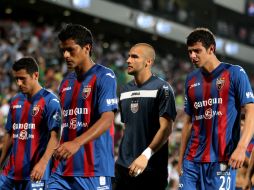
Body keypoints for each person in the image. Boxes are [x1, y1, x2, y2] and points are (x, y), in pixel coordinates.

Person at [177, 27, 254, 190]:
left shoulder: (234, 73)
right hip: (191, 162)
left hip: (222, 160)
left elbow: (251, 111)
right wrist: (180, 159)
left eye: (197, 51)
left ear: (211, 48)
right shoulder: (190, 79)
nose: (192, 56)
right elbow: (188, 123)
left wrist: (241, 148)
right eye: (190, 51)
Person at [47, 24, 118, 190]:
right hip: (63, 170)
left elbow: (107, 119)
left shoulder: (105, 76)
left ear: (87, 48)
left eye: (71, 50)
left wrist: (77, 143)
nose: (65, 55)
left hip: (94, 170)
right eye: (63, 50)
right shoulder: (65, 83)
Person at [113, 43, 177, 190]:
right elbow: (127, 127)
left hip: (151, 170)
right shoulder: (124, 90)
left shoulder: (163, 88)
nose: (128, 60)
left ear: (148, 62)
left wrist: (145, 155)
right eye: (128, 56)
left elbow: (166, 129)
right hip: (123, 168)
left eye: (134, 56)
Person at [0, 57, 61, 190]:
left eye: (22, 78)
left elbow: (55, 137)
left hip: (35, 173)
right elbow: (10, 134)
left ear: (35, 75)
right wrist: (1, 161)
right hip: (10, 173)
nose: (19, 83)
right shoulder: (15, 101)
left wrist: (42, 164)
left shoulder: (50, 101)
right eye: (16, 79)